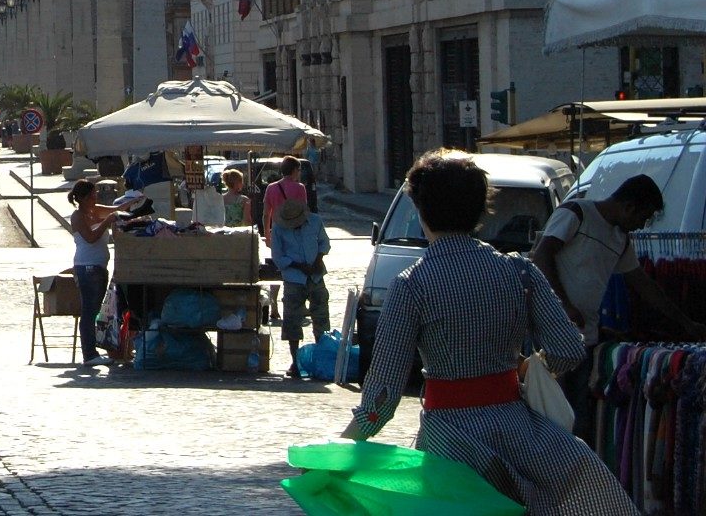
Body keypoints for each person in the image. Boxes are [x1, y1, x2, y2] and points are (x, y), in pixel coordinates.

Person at [343, 152, 637, 515]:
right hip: (522, 436)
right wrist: (528, 367)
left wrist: (340, 449)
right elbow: (568, 349)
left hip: (449, 443)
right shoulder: (519, 272)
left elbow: (382, 397)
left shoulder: (412, 285)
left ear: (421, 212)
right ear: (483, 211)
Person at [531, 173, 705, 440]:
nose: (641, 225)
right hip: (552, 336)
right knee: (554, 417)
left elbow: (643, 285)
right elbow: (542, 255)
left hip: (584, 339)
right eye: (642, 217)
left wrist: (685, 323)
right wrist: (564, 305)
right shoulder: (577, 213)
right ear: (629, 207)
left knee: (577, 419)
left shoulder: (620, 239)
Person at [66, 180, 134, 366]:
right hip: (86, 267)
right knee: (89, 310)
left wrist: (135, 201)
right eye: (90, 196)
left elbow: (116, 208)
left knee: (95, 310)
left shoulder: (93, 211)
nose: (94, 199)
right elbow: (90, 238)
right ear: (80, 198)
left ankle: (93, 351)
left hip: (99, 267)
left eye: (95, 194)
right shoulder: (77, 216)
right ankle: (89, 354)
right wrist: (107, 221)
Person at [271, 198, 331, 379]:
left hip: (316, 276)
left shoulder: (315, 221)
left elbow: (324, 243)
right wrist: (299, 266)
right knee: (291, 320)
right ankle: (295, 361)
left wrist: (317, 260)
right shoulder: (279, 229)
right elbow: (278, 257)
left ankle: (322, 360)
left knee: (321, 318)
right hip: (293, 279)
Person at [261, 155, 308, 245]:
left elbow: (266, 214)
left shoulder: (270, 188)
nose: (299, 173)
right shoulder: (300, 188)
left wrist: (267, 236)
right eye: (299, 170)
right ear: (294, 170)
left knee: (278, 258)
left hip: (277, 231)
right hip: (294, 232)